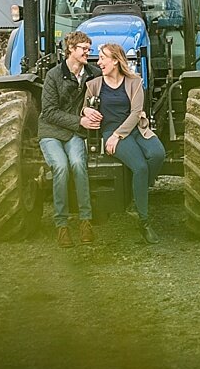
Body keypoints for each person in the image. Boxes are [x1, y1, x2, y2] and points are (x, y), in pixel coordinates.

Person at [83, 42, 166, 244]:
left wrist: (118, 136)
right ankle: (144, 222)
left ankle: (136, 195)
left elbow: (136, 112)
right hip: (110, 131)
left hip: (133, 129)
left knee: (158, 154)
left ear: (115, 61)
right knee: (139, 167)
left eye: (103, 58)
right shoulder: (93, 85)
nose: (99, 62)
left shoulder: (134, 82)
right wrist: (85, 111)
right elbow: (84, 107)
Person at [38, 31, 103, 248]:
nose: (88, 52)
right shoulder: (54, 75)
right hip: (51, 132)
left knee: (78, 164)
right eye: (84, 48)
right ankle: (62, 225)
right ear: (71, 50)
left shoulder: (93, 74)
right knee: (60, 166)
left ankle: (86, 221)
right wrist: (80, 121)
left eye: (88, 48)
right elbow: (48, 111)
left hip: (74, 133)